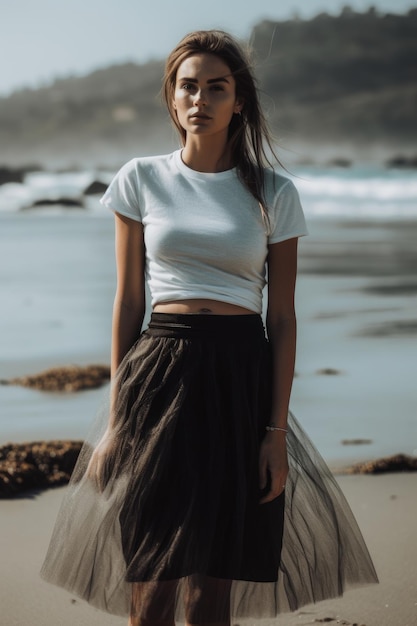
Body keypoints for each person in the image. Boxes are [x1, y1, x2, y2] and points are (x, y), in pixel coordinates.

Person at [41, 30, 377, 626]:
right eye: (188, 86)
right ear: (171, 99)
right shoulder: (140, 179)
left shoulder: (275, 192)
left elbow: (283, 317)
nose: (200, 99)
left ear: (238, 100)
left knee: (210, 594)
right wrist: (117, 422)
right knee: (151, 585)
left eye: (215, 88)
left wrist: (274, 433)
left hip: (239, 379)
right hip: (159, 374)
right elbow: (127, 304)